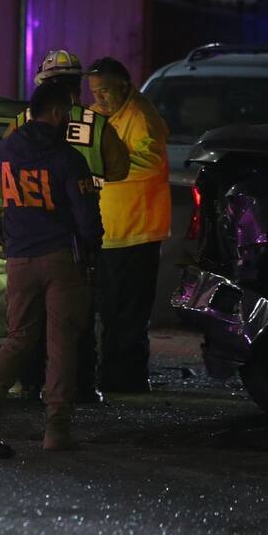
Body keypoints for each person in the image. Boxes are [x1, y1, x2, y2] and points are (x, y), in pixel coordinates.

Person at [0, 49, 129, 402]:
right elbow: (120, 169)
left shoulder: (20, 124)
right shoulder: (96, 123)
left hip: (25, 237)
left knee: (27, 325)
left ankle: (28, 384)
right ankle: (76, 390)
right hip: (74, 238)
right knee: (73, 322)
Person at [0, 80, 103, 451]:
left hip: (19, 259)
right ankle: (56, 430)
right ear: (58, 112)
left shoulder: (6, 149)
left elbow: (1, 196)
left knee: (18, 338)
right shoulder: (67, 159)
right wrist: (93, 251)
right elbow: (86, 218)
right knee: (61, 344)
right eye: (68, 112)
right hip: (60, 259)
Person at [85, 56, 171, 394]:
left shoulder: (139, 116)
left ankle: (128, 379)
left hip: (137, 232)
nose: (99, 98)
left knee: (129, 311)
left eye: (105, 91)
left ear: (124, 86)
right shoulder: (101, 116)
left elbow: (148, 161)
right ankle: (113, 374)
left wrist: (103, 167)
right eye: (94, 91)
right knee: (110, 309)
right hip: (111, 233)